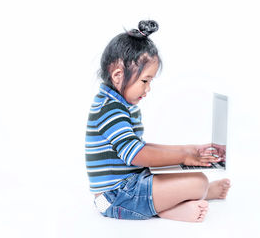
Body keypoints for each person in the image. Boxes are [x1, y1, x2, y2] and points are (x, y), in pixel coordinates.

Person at [85, 20, 231, 222]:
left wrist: (190, 151)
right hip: (114, 198)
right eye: (145, 81)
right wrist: (183, 156)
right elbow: (137, 155)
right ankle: (174, 207)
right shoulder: (110, 111)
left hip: (129, 186)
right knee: (198, 182)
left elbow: (138, 147)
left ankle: (194, 194)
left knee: (194, 179)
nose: (148, 89)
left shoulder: (116, 104)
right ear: (118, 75)